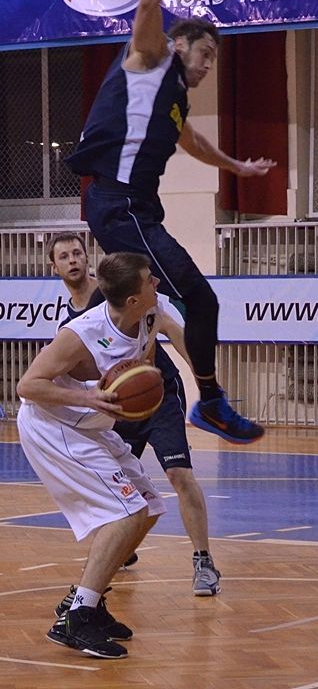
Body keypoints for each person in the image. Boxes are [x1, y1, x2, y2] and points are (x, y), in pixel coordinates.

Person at [66, 0, 275, 446]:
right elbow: (146, 5)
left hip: (133, 208)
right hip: (117, 203)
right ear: (180, 45)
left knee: (152, 303)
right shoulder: (150, 58)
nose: (208, 66)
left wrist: (237, 168)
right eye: (205, 54)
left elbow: (192, 140)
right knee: (198, 299)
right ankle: (211, 403)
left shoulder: (174, 97)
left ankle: (125, 401)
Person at [16, 252, 182, 658]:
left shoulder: (149, 313)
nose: (157, 282)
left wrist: (202, 387)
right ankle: (77, 620)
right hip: (53, 426)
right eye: (149, 279)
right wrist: (88, 397)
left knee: (149, 505)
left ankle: (85, 599)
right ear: (132, 299)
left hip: (90, 425)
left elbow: (155, 354)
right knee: (128, 512)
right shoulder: (81, 333)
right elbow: (27, 385)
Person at [47, 231, 221, 598]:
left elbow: (173, 329)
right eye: (64, 256)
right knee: (114, 487)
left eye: (77, 252)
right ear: (55, 267)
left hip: (156, 395)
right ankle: (118, 549)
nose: (73, 260)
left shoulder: (126, 291)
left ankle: (203, 560)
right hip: (116, 406)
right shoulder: (71, 325)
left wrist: (206, 385)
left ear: (88, 258)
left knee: (178, 472)